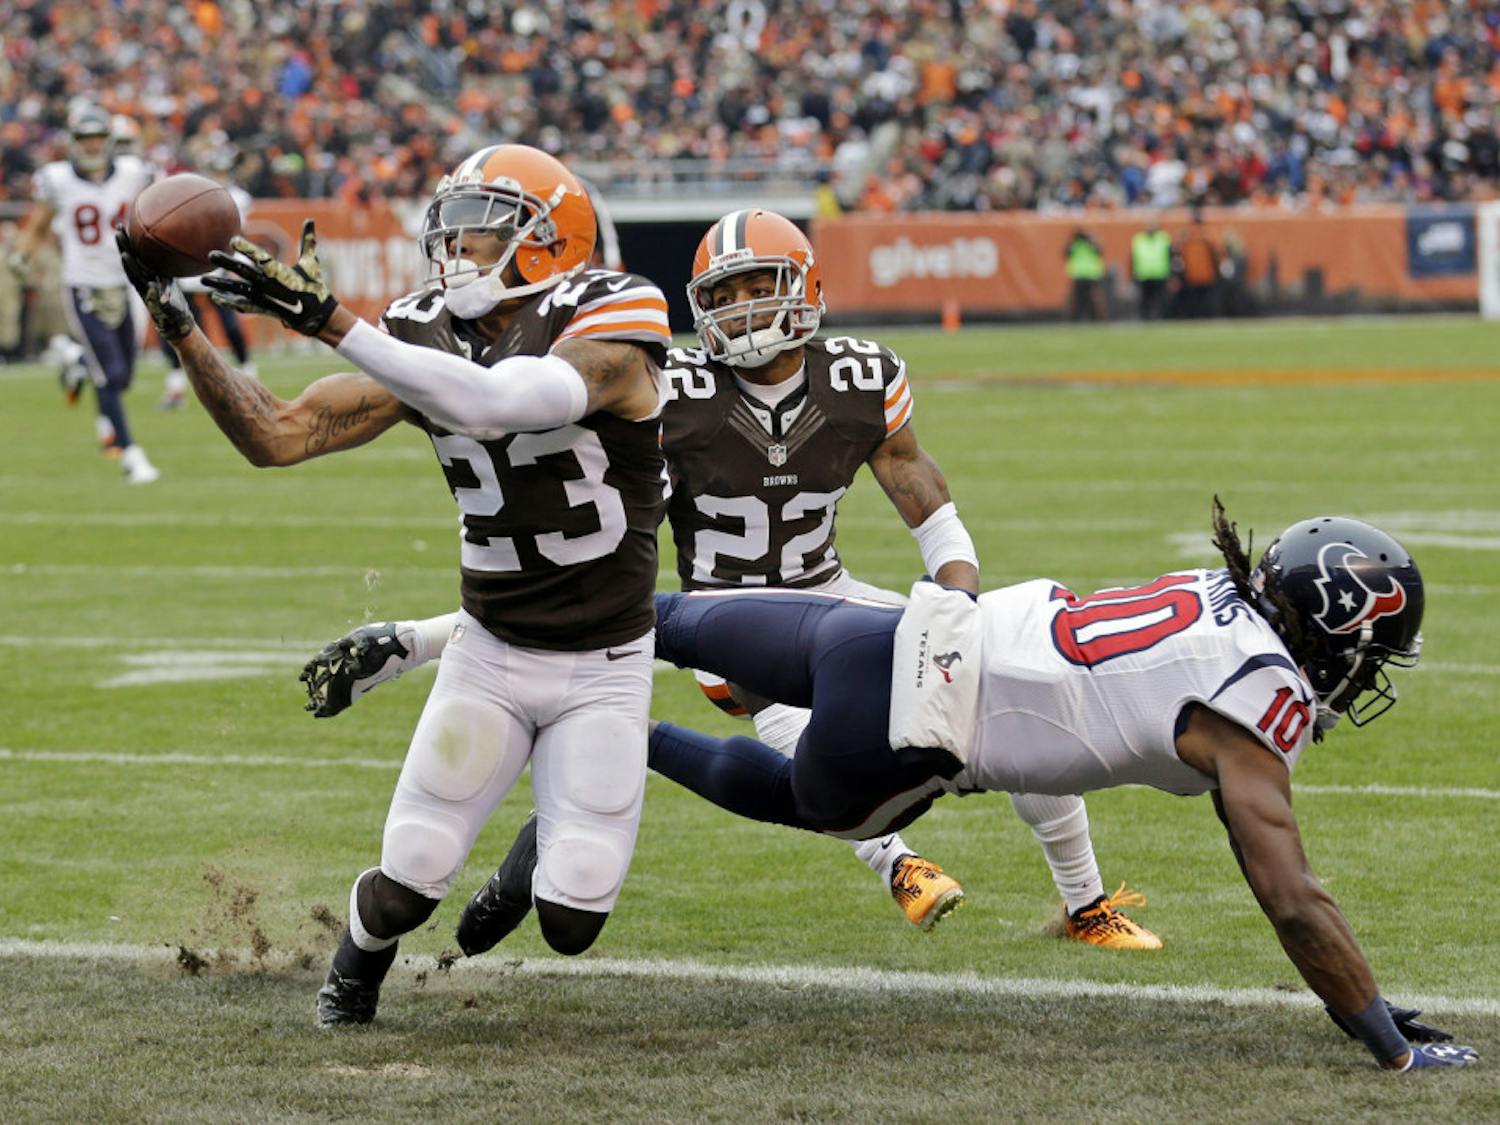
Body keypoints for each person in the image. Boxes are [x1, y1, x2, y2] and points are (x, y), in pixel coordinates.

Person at [301, 209, 1160, 950]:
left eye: (760, 286)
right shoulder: (670, 392)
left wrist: (959, 596)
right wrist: (420, 642)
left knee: (1007, 686)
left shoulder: (858, 376)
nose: (744, 309)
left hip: (831, 593)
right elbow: (578, 576)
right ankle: (897, 862)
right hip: (722, 620)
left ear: (807, 287)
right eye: (724, 294)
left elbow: (921, 492)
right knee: (826, 749)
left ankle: (1084, 901)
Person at [116, 143, 673, 1027]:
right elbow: (277, 435)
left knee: (572, 919)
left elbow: (501, 402)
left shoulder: (614, 313)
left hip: (606, 661)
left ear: (547, 240)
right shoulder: (421, 334)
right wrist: (177, 319)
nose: (455, 254)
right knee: (408, 877)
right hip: (490, 650)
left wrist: (334, 320)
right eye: (448, 234)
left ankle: (539, 857)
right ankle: (357, 962)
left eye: (481, 235)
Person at [635, 500, 1479, 1071]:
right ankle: (629, 739)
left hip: (885, 632)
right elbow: (1290, 895)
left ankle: (515, 642)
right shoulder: (1259, 698)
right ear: (1335, 634)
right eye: (1371, 651)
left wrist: (1362, 1001)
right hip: (906, 738)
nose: (1364, 673)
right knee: (796, 796)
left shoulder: (1220, 589)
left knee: (656, 617)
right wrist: (1382, 1036)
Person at [11, 105, 160, 482]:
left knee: (123, 374)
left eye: (97, 138)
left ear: (108, 142)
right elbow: (40, 224)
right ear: (73, 143)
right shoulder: (57, 179)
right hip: (83, 285)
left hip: (126, 282)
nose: (91, 145)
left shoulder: (132, 173)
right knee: (109, 374)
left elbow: (154, 215)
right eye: (84, 139)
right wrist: (21, 256)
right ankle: (130, 453)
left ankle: (75, 360)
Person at [159, 151, 258, 408]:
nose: (220, 177)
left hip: (218, 262)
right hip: (190, 263)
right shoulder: (193, 194)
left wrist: (240, 261)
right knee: (183, 327)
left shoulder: (237, 198)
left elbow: (237, 233)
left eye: (224, 172)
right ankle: (177, 385)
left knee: (230, 324)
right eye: (216, 171)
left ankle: (249, 372)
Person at [1176, 214, 1220, 318]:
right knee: (1206, 300)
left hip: (1191, 274)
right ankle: (1205, 317)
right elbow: (1218, 254)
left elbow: (1179, 255)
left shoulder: (1185, 236)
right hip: (1207, 274)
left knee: (1194, 301)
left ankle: (1195, 317)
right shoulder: (1208, 235)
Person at [1130, 220, 1172, 320]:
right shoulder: (1139, 239)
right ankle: (1145, 318)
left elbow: (1170, 256)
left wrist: (1171, 274)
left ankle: (1160, 318)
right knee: (1144, 299)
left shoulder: (1163, 238)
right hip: (1143, 274)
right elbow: (1133, 257)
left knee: (1160, 299)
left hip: (1160, 273)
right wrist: (1133, 273)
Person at [1063, 228, 1106, 321]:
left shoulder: (1091, 243)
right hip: (1078, 275)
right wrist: (1073, 240)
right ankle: (1077, 318)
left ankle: (1095, 319)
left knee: (1093, 299)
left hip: (1092, 275)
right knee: (1078, 299)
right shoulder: (1075, 244)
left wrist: (1090, 239)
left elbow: (1100, 251)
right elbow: (1066, 253)